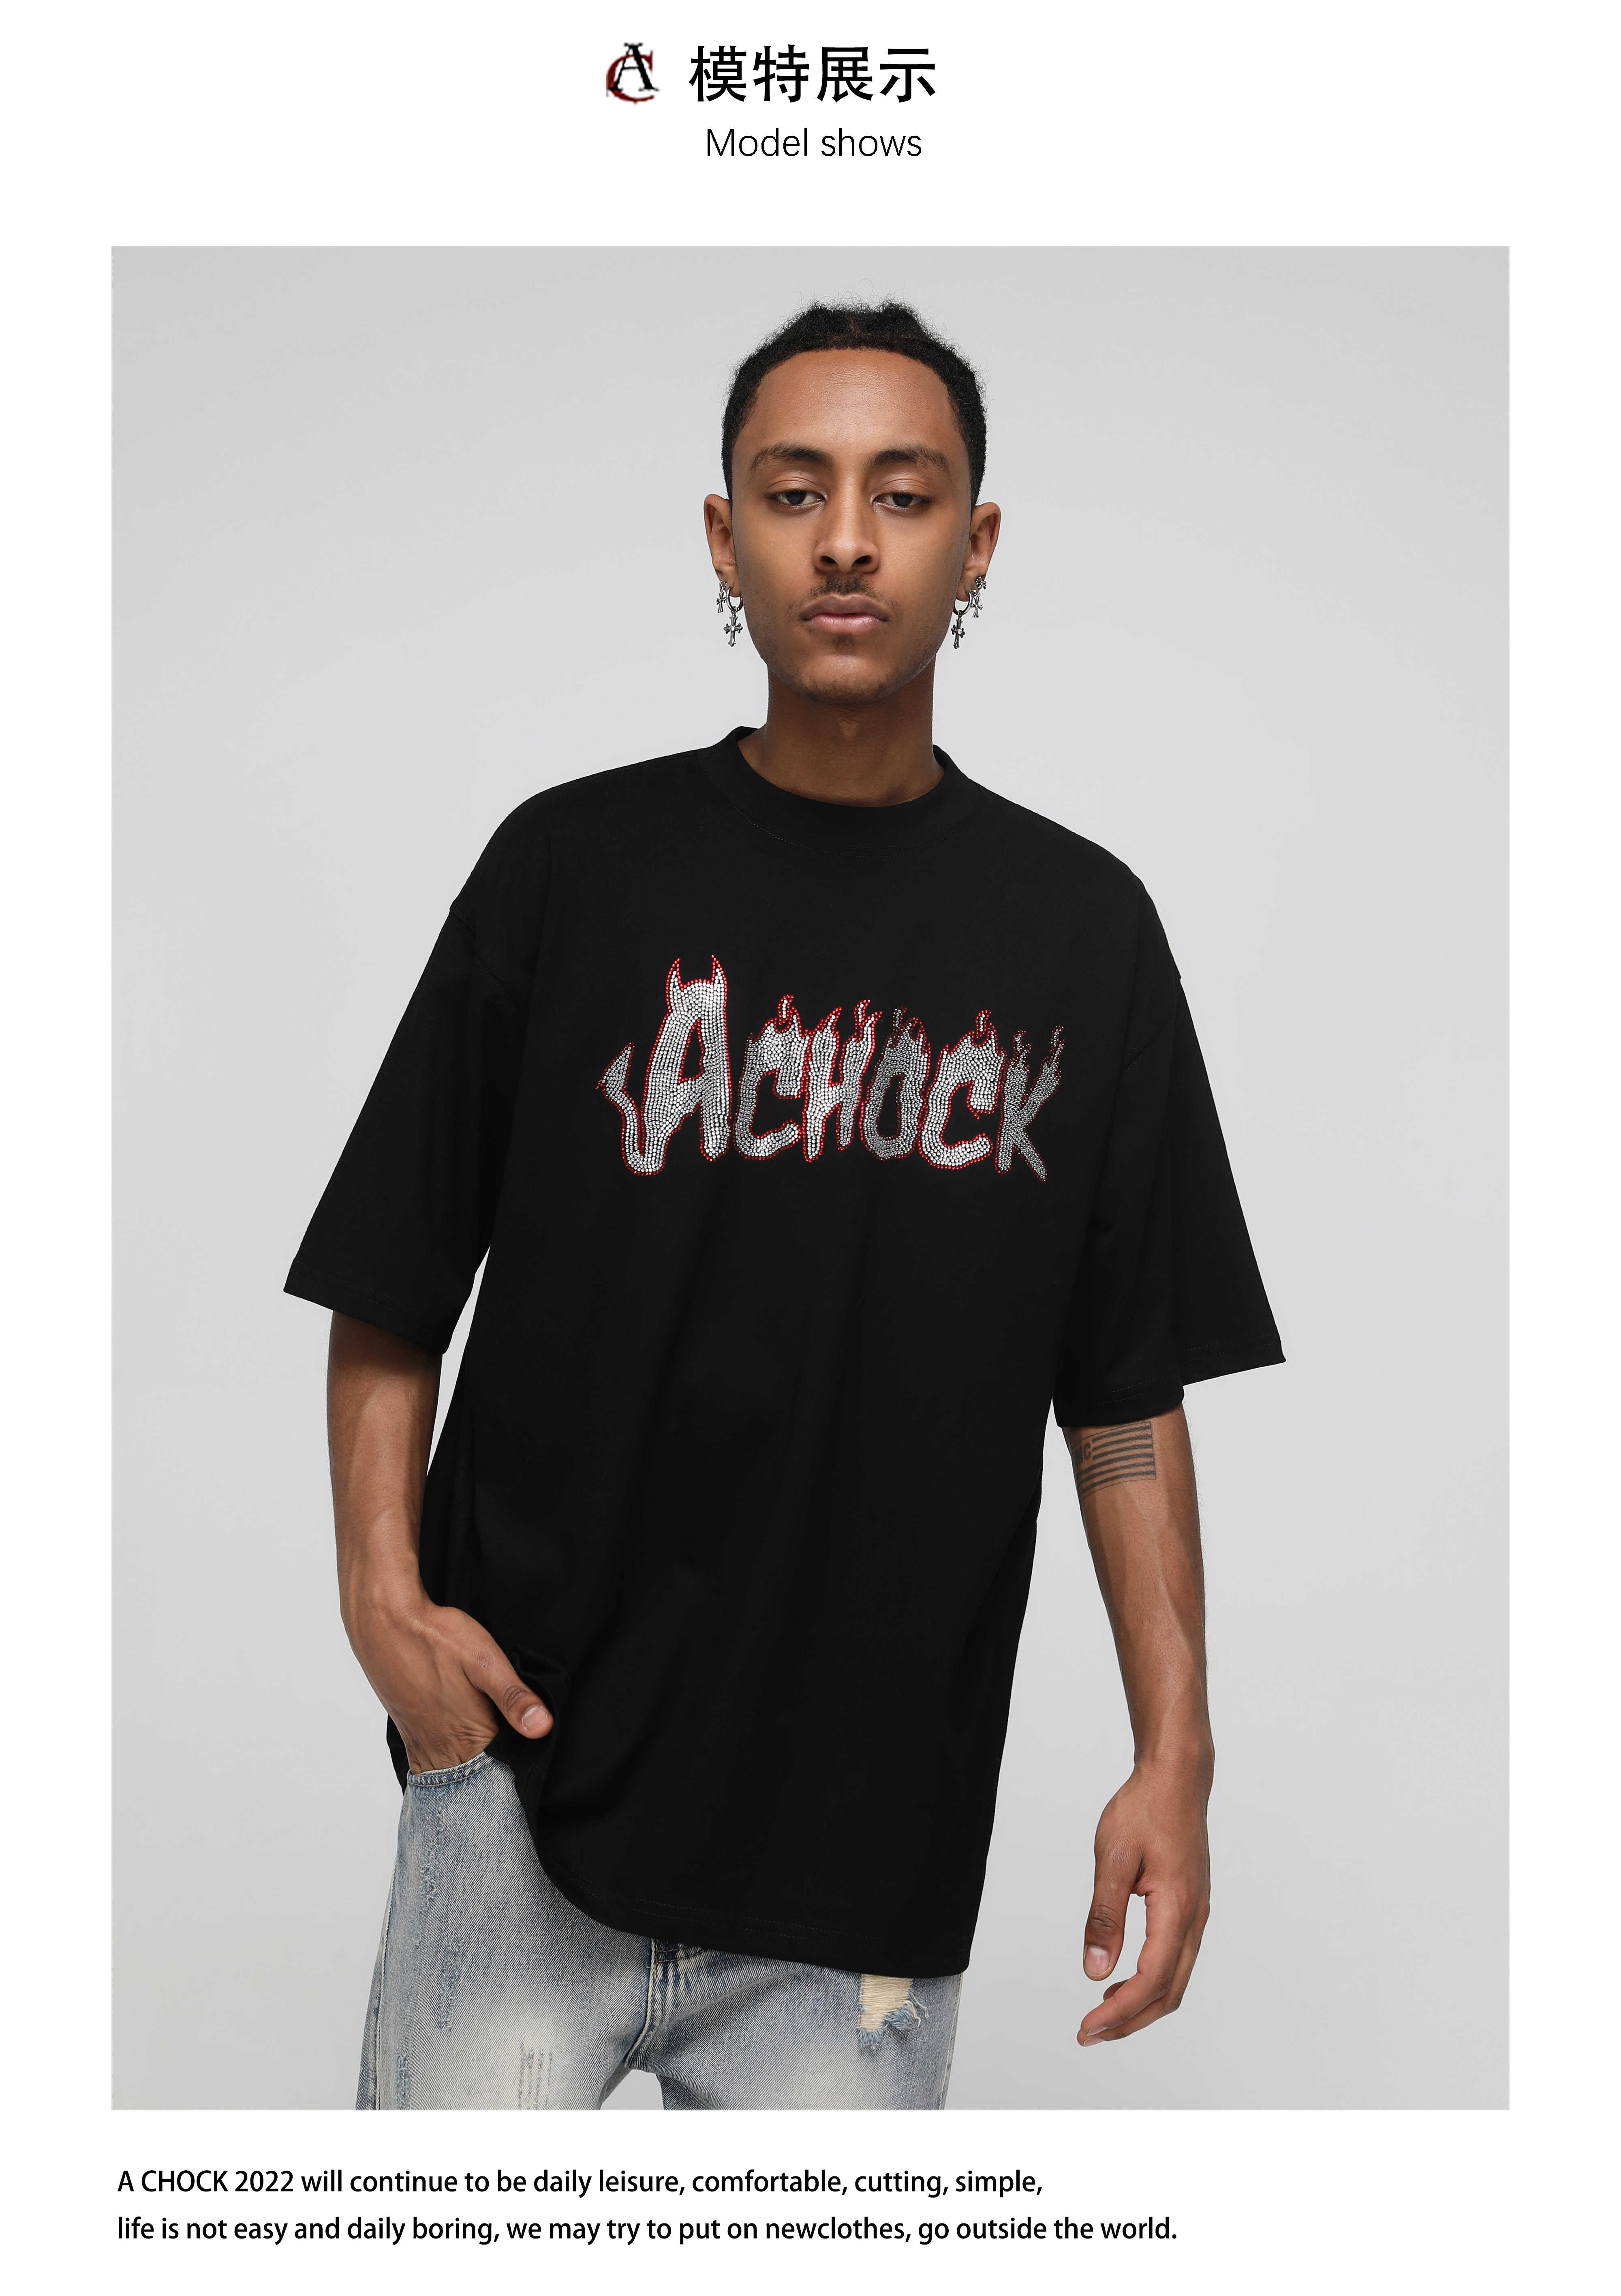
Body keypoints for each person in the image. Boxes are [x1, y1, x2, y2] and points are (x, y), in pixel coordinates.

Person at [285, 300, 1283, 2112]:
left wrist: (1177, 1750)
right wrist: (381, 1600)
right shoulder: (569, 868)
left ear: (975, 544)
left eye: (902, 494)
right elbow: (392, 1269)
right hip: (523, 1797)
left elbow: (1125, 1399)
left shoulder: (1084, 934)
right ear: (723, 535)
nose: (844, 540)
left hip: (868, 1866)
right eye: (793, 489)